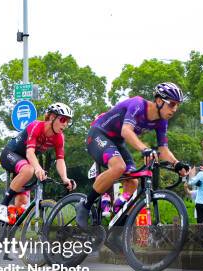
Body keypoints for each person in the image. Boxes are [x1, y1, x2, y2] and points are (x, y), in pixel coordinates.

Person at [76, 82, 190, 228]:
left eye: (177, 105)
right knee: (119, 167)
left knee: (133, 182)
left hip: (117, 143)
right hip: (98, 135)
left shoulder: (162, 122)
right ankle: (85, 205)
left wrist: (176, 163)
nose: (175, 109)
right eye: (172, 104)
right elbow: (126, 131)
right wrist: (145, 149)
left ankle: (116, 227)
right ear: (160, 101)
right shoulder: (138, 105)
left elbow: (163, 149)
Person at [0, 103, 76, 222]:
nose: (65, 124)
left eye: (68, 122)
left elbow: (60, 160)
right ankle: (2, 206)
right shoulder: (36, 126)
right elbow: (30, 153)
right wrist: (38, 168)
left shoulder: (59, 137)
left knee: (22, 202)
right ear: (52, 117)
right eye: (63, 119)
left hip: (26, 163)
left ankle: (6, 231)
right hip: (10, 154)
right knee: (30, 170)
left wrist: (65, 178)